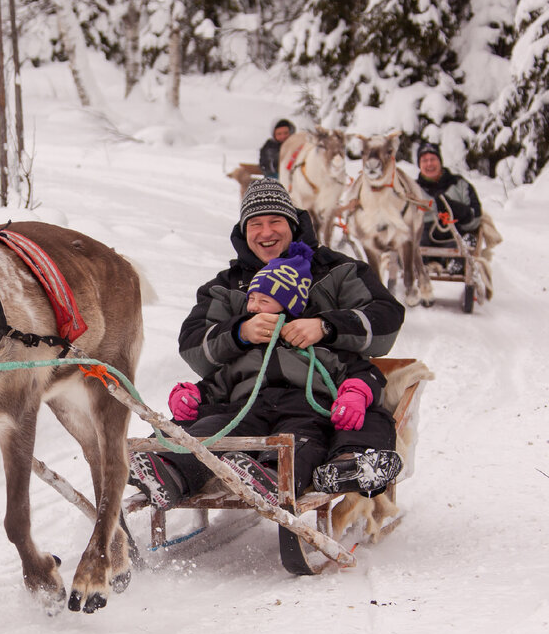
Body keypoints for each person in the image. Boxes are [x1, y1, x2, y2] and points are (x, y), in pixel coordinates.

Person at [129, 179, 406, 509]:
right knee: (208, 428)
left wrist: (326, 326)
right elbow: (194, 346)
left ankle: (333, 467)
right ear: (244, 231)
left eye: (275, 221)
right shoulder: (227, 287)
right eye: (255, 224)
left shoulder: (337, 271)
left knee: (327, 429)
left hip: (316, 396)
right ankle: (166, 469)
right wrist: (239, 333)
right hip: (246, 399)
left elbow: (385, 318)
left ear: (293, 224)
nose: (266, 232)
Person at [415, 141, 483, 275]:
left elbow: (476, 217)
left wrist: (457, 209)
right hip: (423, 237)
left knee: (460, 242)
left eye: (433, 159)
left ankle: (456, 262)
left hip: (452, 233)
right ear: (419, 164)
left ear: (440, 161)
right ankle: (419, 263)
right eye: (424, 160)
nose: (429, 164)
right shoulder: (412, 189)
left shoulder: (459, 185)